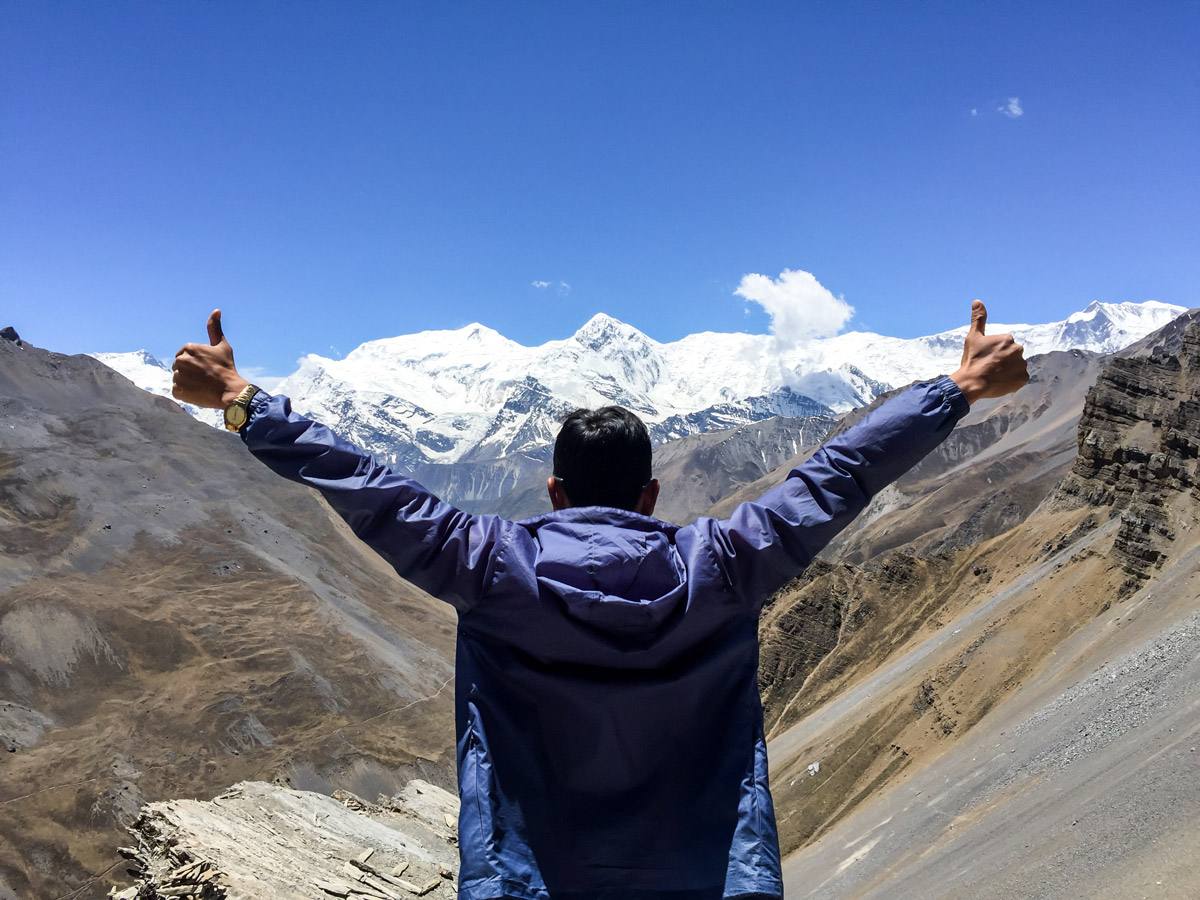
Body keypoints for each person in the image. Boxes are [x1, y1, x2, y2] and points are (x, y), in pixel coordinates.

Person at [173, 302, 1027, 900]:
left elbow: (370, 487)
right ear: (651, 495)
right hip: (711, 876)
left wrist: (247, 405)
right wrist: (956, 389)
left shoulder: (487, 566)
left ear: (552, 492)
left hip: (527, 878)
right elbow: (839, 475)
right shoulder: (726, 564)